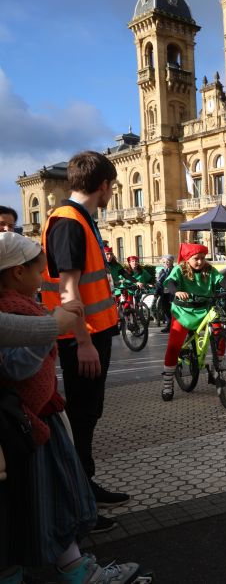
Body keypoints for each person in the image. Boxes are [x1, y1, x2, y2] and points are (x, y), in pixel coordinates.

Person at [0, 233, 142, 584]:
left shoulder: (20, 304)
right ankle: (74, 572)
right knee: (47, 501)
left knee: (31, 505)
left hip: (32, 420)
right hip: (23, 425)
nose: (45, 277)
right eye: (39, 270)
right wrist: (53, 327)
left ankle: (62, 568)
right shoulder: (11, 308)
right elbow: (17, 366)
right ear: (18, 273)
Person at [40, 151, 126, 533]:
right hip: (82, 339)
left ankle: (85, 487)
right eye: (113, 187)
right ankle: (78, 504)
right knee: (82, 414)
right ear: (104, 186)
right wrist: (85, 341)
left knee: (89, 414)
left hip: (91, 334)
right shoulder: (70, 223)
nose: (113, 193)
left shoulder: (79, 220)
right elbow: (68, 292)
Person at [160, 243, 226, 401]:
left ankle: (216, 368)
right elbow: (170, 283)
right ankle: (167, 383)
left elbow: (222, 281)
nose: (200, 262)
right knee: (173, 346)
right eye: (196, 259)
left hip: (205, 309)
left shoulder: (209, 270)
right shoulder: (179, 269)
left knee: (220, 332)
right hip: (183, 312)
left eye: (202, 258)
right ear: (187, 259)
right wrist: (177, 291)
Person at [156, 254, 175, 333]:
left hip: (173, 293)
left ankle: (173, 326)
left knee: (173, 310)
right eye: (164, 262)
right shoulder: (162, 271)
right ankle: (169, 325)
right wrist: (157, 291)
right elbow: (159, 282)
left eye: (168, 261)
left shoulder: (175, 270)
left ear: (172, 262)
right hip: (164, 293)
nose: (166, 263)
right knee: (165, 310)